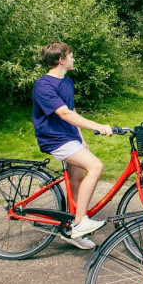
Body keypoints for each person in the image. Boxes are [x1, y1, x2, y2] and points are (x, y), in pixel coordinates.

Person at [32, 42, 113, 250]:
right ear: (61, 59)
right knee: (96, 166)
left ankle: (71, 231)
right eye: (71, 55)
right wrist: (97, 126)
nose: (73, 58)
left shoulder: (67, 82)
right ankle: (79, 222)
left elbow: (72, 110)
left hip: (68, 137)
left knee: (77, 179)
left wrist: (80, 138)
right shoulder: (44, 86)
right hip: (54, 138)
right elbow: (64, 113)